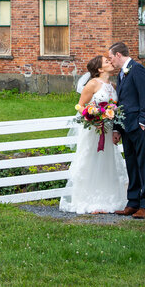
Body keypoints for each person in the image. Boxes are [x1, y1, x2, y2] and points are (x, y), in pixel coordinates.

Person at [58, 55, 128, 214]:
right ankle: (87, 200)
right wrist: (92, 116)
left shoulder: (112, 85)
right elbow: (80, 106)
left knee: (106, 163)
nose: (110, 62)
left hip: (107, 130)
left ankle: (107, 200)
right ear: (99, 69)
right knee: (91, 161)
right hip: (93, 130)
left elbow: (115, 107)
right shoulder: (92, 84)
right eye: (106, 61)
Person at [109, 41, 145, 219]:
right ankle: (133, 202)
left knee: (143, 165)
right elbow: (120, 104)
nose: (110, 61)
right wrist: (117, 129)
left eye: (111, 57)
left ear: (119, 55)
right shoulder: (121, 74)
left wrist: (143, 122)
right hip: (126, 127)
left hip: (138, 126)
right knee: (131, 164)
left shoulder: (137, 69)